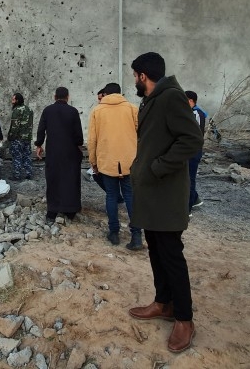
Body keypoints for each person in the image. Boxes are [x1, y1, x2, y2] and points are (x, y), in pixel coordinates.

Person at [127, 52, 203, 353]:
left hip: (166, 194)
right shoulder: (153, 100)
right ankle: (163, 303)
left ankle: (184, 318)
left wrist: (158, 166)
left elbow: (192, 140)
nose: (133, 80)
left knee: (171, 255)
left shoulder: (171, 97)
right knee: (156, 252)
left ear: (143, 75)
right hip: (151, 194)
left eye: (135, 75)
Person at [88, 82, 143, 249]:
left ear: (105, 94)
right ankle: (136, 235)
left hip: (107, 161)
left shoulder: (97, 111)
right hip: (130, 162)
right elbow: (141, 134)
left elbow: (92, 140)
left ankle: (114, 232)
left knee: (111, 196)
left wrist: (93, 162)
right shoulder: (133, 109)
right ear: (120, 93)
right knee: (131, 196)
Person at [35, 87, 84, 223]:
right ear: (67, 97)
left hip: (53, 151)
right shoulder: (73, 111)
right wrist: (78, 145)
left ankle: (52, 211)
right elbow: (78, 135)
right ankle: (70, 210)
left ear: (54, 96)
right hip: (70, 151)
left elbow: (41, 130)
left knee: (53, 179)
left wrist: (39, 145)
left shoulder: (47, 110)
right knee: (70, 179)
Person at [185, 91, 207, 214]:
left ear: (191, 101)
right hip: (188, 151)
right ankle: (194, 199)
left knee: (189, 179)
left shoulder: (197, 114)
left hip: (193, 151)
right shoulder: (191, 112)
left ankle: (188, 209)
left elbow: (194, 134)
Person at [7, 93, 34, 181]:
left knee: (17, 156)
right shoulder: (29, 109)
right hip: (27, 137)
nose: (12, 101)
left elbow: (14, 126)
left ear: (17, 100)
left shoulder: (16, 110)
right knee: (27, 155)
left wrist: (10, 137)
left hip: (18, 138)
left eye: (13, 100)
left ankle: (17, 175)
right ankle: (28, 174)